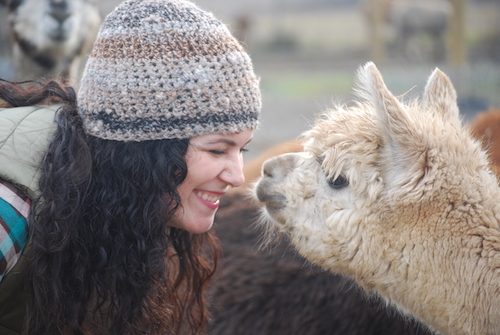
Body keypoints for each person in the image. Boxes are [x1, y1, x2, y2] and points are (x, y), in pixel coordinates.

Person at [0, 0, 261, 334]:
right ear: (145, 148)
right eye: (217, 150)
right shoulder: (12, 210)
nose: (238, 176)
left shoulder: (113, 205)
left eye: (243, 149)